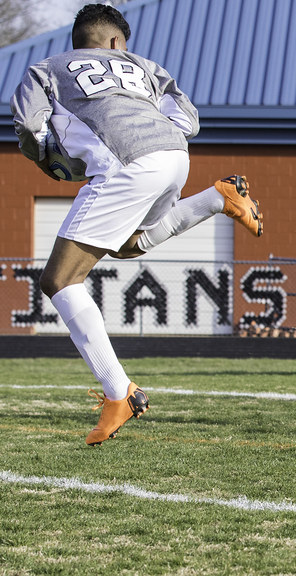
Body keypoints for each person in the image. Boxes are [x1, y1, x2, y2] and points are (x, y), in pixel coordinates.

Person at [10, 4, 264, 446]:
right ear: (116, 42)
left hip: (124, 164)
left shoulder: (45, 68)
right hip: (175, 158)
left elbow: (29, 126)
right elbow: (189, 120)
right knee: (130, 245)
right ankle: (217, 197)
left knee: (59, 280)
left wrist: (52, 161)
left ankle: (119, 393)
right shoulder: (146, 66)